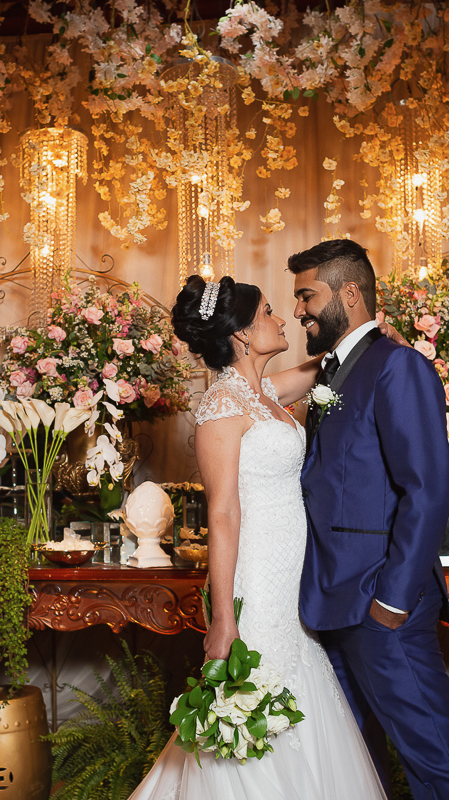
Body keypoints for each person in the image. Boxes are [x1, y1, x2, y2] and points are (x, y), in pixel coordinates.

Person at [129, 274, 387, 800]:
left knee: (298, 688)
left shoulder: (264, 392)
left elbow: (325, 366)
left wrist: (372, 331)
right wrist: (224, 618)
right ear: (243, 334)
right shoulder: (221, 407)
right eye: (268, 311)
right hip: (257, 576)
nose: (283, 318)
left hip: (293, 578)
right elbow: (223, 512)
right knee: (256, 697)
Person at [292, 238, 449, 799]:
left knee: (434, 756)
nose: (300, 309)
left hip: (379, 601)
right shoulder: (331, 373)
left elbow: (428, 490)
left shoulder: (398, 365)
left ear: (350, 293)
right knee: (357, 765)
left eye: (308, 296)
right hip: (330, 603)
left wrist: (392, 603)